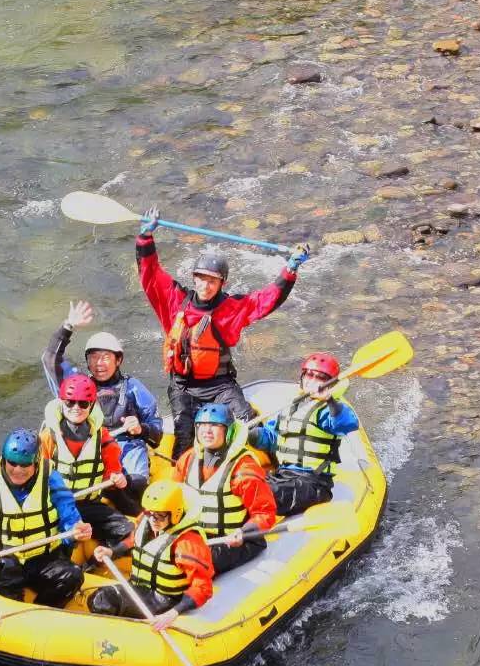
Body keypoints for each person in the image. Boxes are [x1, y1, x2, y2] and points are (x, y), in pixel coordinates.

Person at [134, 212, 309, 458]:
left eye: (212, 281)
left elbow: (265, 300)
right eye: (201, 279)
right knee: (183, 437)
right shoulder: (174, 302)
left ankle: (279, 457)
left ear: (222, 283)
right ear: (194, 278)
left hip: (220, 386)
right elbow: (150, 274)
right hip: (183, 387)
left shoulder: (230, 309)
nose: (205, 286)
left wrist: (290, 269)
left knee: (249, 423)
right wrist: (145, 237)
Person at [0, 429, 90, 606]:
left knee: (73, 575)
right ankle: (12, 611)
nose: (17, 470)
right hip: (1, 560)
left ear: (36, 462)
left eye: (25, 465)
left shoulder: (51, 479)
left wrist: (76, 528)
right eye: (12, 463)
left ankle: (40, 612)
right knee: (9, 568)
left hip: (42, 558)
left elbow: (68, 511)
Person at [45, 301, 161, 492]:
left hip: (126, 445)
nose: (99, 363)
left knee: (136, 481)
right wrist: (68, 326)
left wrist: (141, 429)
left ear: (119, 360)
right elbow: (50, 358)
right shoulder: (77, 384)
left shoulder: (133, 388)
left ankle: (130, 492)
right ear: (87, 361)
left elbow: (157, 432)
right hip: (89, 447)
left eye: (106, 357)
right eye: (93, 357)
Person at [248, 351, 360, 515]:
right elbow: (272, 439)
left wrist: (329, 400)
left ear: (330, 383)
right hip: (283, 475)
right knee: (243, 483)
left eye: (320, 377)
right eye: (309, 375)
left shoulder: (328, 409)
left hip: (312, 483)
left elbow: (347, 423)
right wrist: (252, 434)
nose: (312, 380)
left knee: (261, 493)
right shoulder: (291, 406)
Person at [90, 479, 214, 626]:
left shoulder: (187, 543)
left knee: (103, 599)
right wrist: (112, 551)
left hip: (164, 600)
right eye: (150, 513)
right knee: (96, 598)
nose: (153, 520)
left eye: (160, 515)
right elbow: (134, 541)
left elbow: (203, 587)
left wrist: (174, 612)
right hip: (140, 588)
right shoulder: (148, 521)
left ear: (175, 513)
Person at [175, 403, 276, 574]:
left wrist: (243, 532)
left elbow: (265, 513)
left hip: (237, 540)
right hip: (198, 535)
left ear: (228, 431)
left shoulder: (244, 469)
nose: (207, 431)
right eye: (202, 425)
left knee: (192, 563)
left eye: (215, 425)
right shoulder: (188, 458)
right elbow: (171, 495)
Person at [40, 374, 135, 546]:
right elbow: (37, 478)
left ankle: (102, 554)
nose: (76, 408)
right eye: (70, 402)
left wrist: (116, 478)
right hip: (57, 507)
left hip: (89, 504)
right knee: (63, 543)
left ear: (91, 406)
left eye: (83, 403)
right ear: (62, 402)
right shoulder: (48, 437)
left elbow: (112, 470)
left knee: (126, 530)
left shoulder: (101, 435)